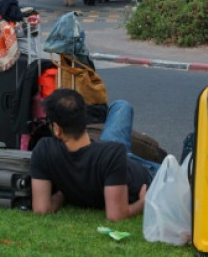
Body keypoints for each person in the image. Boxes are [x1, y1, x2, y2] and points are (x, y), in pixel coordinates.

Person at [30, 89, 157, 222]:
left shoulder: (43, 149)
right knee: (122, 106)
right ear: (84, 118)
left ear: (57, 128)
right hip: (144, 171)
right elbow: (116, 216)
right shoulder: (113, 154)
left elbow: (41, 210)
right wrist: (144, 201)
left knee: (122, 106)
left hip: (113, 157)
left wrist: (64, 192)